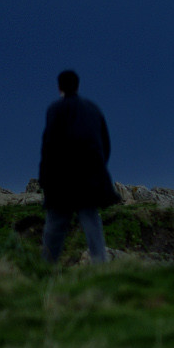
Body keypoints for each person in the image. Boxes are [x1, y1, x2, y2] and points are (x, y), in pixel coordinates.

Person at [39, 69, 121, 264]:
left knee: (54, 228)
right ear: (78, 85)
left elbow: (48, 146)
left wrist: (45, 179)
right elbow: (105, 144)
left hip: (62, 180)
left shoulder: (55, 110)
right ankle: (100, 266)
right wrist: (98, 172)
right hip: (90, 179)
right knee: (92, 223)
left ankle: (46, 270)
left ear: (59, 87)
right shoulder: (93, 109)